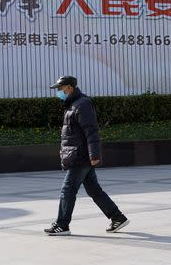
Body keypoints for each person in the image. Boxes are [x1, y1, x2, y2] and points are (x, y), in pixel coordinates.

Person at [44, 75, 129, 236]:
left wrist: (94, 154)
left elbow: (91, 131)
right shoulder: (72, 104)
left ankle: (62, 225)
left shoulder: (82, 104)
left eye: (60, 89)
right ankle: (118, 217)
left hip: (81, 156)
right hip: (77, 154)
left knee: (67, 189)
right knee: (94, 190)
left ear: (69, 87)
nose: (58, 92)